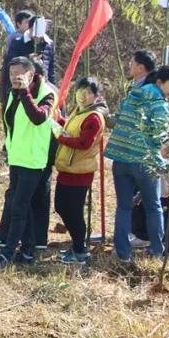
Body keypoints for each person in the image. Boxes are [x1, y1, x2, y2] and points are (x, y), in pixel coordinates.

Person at [0, 57, 57, 272]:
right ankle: (27, 250)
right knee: (21, 203)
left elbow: (38, 118)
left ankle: (7, 253)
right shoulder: (12, 93)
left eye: (19, 74)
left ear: (30, 73)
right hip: (17, 157)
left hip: (33, 160)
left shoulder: (46, 94)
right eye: (11, 74)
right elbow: (10, 121)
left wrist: (25, 92)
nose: (14, 78)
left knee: (18, 206)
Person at [107, 65, 169, 262]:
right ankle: (157, 251)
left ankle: (123, 252)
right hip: (144, 161)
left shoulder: (133, 95)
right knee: (153, 207)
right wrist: (165, 161)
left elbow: (119, 120)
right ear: (159, 82)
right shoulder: (158, 103)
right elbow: (159, 137)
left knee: (123, 207)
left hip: (120, 158)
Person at [50, 77, 107, 265]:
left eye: (88, 92)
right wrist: (60, 121)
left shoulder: (94, 117)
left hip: (80, 171)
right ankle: (76, 244)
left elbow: (84, 142)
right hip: (67, 167)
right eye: (80, 90)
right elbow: (73, 129)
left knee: (73, 211)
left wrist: (61, 137)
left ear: (96, 96)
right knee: (61, 206)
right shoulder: (79, 111)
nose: (83, 95)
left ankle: (80, 250)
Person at [0, 9, 56, 106]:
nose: (37, 39)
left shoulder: (48, 44)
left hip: (43, 88)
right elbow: (10, 63)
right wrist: (27, 59)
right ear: (29, 29)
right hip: (20, 87)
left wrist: (52, 85)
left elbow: (51, 69)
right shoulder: (17, 42)